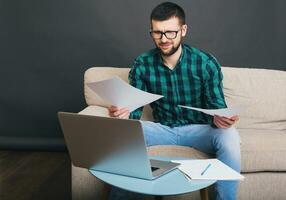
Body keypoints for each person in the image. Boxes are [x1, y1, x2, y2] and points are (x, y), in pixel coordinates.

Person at [108, 2, 241, 200]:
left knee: (229, 136)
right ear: (151, 31)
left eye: (170, 32)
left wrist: (221, 118)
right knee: (123, 135)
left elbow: (216, 106)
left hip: (199, 130)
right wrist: (123, 113)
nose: (163, 39)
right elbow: (134, 110)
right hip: (161, 129)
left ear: (183, 30)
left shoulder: (205, 63)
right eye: (157, 33)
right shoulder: (142, 64)